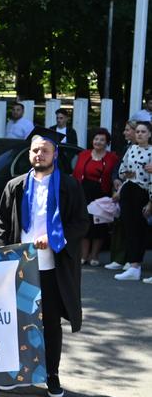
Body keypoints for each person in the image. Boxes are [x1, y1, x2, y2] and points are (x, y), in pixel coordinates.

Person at [0, 127, 89, 397]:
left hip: (52, 267)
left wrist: (55, 237)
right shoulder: (15, 186)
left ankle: (52, 375)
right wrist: (3, 255)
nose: (39, 154)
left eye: (45, 150)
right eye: (35, 150)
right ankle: (18, 372)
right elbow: (2, 224)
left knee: (50, 324)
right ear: (29, 154)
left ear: (55, 154)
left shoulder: (69, 186)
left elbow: (81, 222)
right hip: (21, 266)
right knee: (18, 321)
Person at [113, 120, 152, 281]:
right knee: (129, 229)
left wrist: (150, 202)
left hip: (143, 191)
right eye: (138, 132)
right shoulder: (131, 149)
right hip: (129, 189)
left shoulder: (151, 151)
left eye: (143, 132)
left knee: (139, 229)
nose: (140, 134)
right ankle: (133, 265)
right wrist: (129, 174)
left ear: (149, 134)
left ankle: (136, 264)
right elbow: (122, 170)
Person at [72, 128, 118, 266]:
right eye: (96, 139)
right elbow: (76, 173)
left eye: (102, 140)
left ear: (107, 142)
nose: (98, 142)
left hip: (102, 194)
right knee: (84, 224)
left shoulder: (112, 157)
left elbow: (115, 175)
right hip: (84, 192)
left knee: (99, 225)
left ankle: (95, 255)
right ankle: (84, 254)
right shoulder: (84, 154)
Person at [106, 120, 138, 270]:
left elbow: (136, 174)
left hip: (136, 191)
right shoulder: (126, 147)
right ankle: (120, 259)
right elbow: (118, 168)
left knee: (134, 227)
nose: (125, 132)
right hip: (122, 191)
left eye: (128, 130)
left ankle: (132, 261)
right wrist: (116, 180)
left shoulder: (146, 150)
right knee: (121, 225)